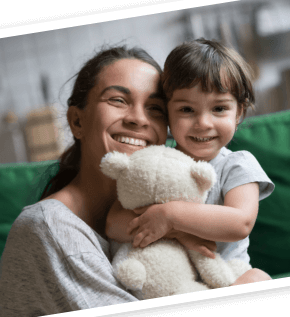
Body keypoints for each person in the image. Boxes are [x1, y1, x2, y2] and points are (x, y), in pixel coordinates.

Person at [0, 44, 218, 317]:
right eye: (118, 100)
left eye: (155, 108)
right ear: (77, 121)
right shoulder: (49, 227)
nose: (139, 118)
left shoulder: (163, 213)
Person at [106, 38, 275, 285]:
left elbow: (240, 223)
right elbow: (113, 224)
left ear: (238, 112)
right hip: (174, 283)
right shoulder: (157, 163)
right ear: (167, 113)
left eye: (219, 109)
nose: (203, 123)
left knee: (257, 278)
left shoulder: (237, 164)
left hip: (228, 277)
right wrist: (178, 234)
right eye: (186, 110)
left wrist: (171, 216)